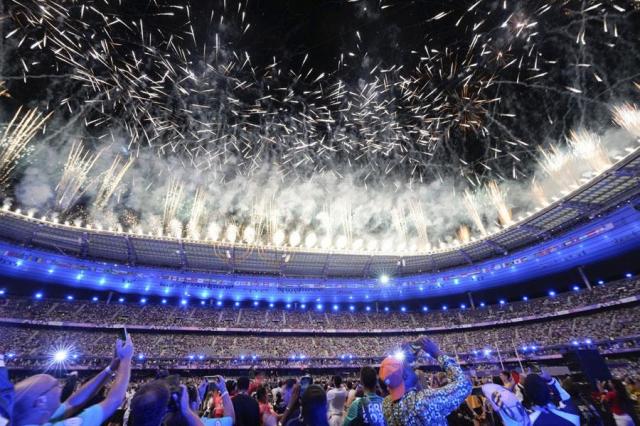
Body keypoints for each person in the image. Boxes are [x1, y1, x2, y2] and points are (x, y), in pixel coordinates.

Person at [12, 335, 133, 426]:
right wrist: (126, 359)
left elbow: (72, 403)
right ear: (40, 401)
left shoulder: (35, 418)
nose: (60, 387)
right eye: (55, 385)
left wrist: (110, 368)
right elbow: (113, 401)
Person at [380, 337, 472, 426]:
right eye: (408, 367)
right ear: (404, 375)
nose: (412, 367)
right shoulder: (426, 400)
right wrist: (437, 353)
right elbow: (465, 384)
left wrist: (406, 356)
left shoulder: (387, 405)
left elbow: (409, 388)